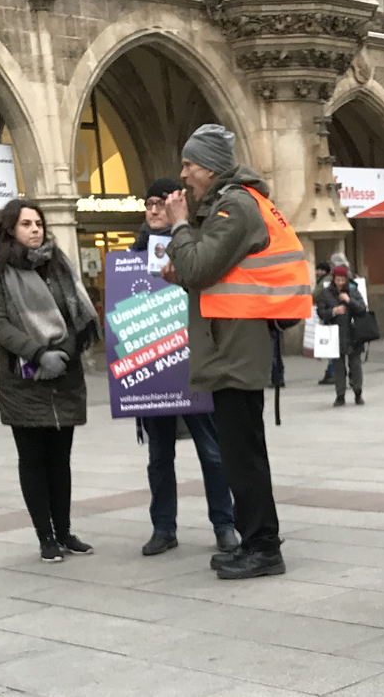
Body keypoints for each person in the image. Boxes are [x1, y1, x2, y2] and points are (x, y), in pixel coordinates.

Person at [162, 124, 312, 579]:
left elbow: (200, 265)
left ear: (209, 167)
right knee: (240, 451)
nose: (183, 174)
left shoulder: (234, 205)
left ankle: (264, 547)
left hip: (235, 349)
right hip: (231, 345)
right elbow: (204, 272)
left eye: (189, 164)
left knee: (242, 454)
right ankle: (254, 540)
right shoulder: (232, 203)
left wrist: (179, 226)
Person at [0, 199, 100, 563]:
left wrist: (62, 353)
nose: (36, 230)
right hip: (25, 381)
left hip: (64, 376)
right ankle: (45, 536)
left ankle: (64, 531)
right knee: (33, 459)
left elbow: (79, 315)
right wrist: (38, 354)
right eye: (26, 224)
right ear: (10, 230)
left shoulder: (59, 265)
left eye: (39, 223)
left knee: (59, 459)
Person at [132, 178, 238, 557]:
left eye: (162, 202)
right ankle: (163, 528)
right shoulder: (133, 253)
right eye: (149, 203)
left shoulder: (195, 244)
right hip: (154, 368)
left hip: (193, 361)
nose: (155, 209)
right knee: (159, 455)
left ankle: (224, 524)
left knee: (212, 450)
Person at [317, 265, 368, 405]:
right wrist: (333, 311)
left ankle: (358, 392)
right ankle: (340, 395)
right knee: (338, 367)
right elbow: (321, 312)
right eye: (337, 279)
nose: (339, 282)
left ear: (346, 279)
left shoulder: (353, 290)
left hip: (353, 334)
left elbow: (362, 308)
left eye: (342, 280)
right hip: (335, 335)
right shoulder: (327, 292)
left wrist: (349, 301)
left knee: (355, 365)